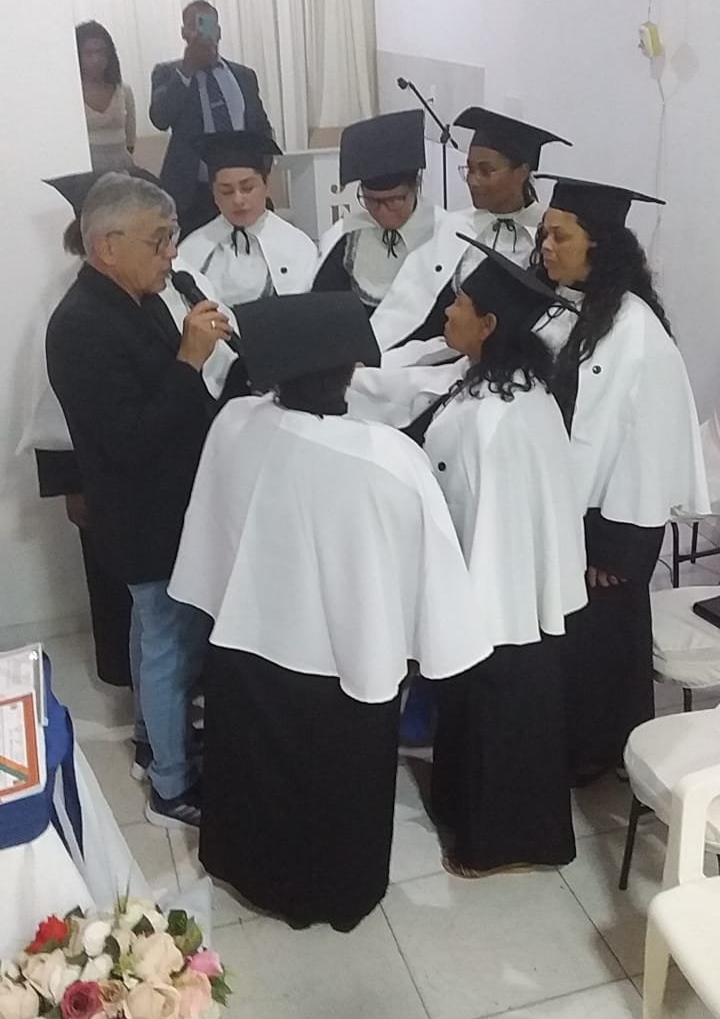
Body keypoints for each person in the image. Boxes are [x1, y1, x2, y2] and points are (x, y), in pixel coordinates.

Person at [168, 292, 485, 931]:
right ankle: (337, 894)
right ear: (349, 373)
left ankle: (247, 868)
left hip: (250, 639)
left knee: (254, 767)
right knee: (336, 782)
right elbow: (427, 562)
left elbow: (215, 523)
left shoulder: (235, 423)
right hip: (347, 654)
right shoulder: (389, 456)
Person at [370, 237, 587, 872]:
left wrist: (470, 605)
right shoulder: (499, 385)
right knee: (473, 711)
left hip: (500, 600)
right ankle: (460, 811)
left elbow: (491, 520)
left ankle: (499, 847)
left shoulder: (499, 417)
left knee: (499, 717)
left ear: (489, 324)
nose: (448, 311)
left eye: (459, 303)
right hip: (498, 588)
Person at [45, 172, 233, 829]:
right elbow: (129, 438)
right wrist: (189, 360)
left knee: (154, 630)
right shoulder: (80, 326)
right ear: (108, 246)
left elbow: (170, 401)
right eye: (159, 241)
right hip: (142, 511)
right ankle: (171, 790)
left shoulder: (140, 297)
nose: (171, 254)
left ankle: (155, 744)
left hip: (171, 500)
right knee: (167, 640)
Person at [534, 175, 710, 780]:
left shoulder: (637, 333)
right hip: (564, 513)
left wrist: (618, 549)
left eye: (560, 236)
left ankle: (600, 754)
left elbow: (648, 452)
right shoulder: (565, 307)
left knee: (599, 649)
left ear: (599, 244)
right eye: (543, 234)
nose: (546, 246)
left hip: (608, 531)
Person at [364, 108, 571, 356]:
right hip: (445, 353)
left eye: (486, 171)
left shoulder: (549, 234)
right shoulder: (451, 227)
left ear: (522, 172)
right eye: (470, 169)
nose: (473, 181)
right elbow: (406, 303)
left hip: (519, 356)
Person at [150, 0, 273, 235]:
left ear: (218, 31)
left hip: (241, 190)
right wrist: (187, 69)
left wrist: (260, 171)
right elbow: (160, 118)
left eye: (207, 25)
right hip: (191, 194)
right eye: (194, 26)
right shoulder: (167, 73)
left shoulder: (244, 76)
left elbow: (261, 127)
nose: (201, 32)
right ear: (184, 33)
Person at [178, 131, 317, 314]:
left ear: (266, 186)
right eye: (226, 191)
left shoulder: (297, 246)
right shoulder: (192, 248)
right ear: (214, 194)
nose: (238, 200)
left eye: (247, 188)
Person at [313, 110, 437, 312]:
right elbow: (324, 306)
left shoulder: (443, 233)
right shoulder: (347, 238)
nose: (382, 212)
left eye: (394, 200)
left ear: (416, 186)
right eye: (371, 200)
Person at [76, 21, 136, 171]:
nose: (96, 59)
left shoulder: (123, 91)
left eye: (101, 52)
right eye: (88, 53)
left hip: (122, 168)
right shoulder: (71, 95)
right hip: (85, 170)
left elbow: (130, 139)